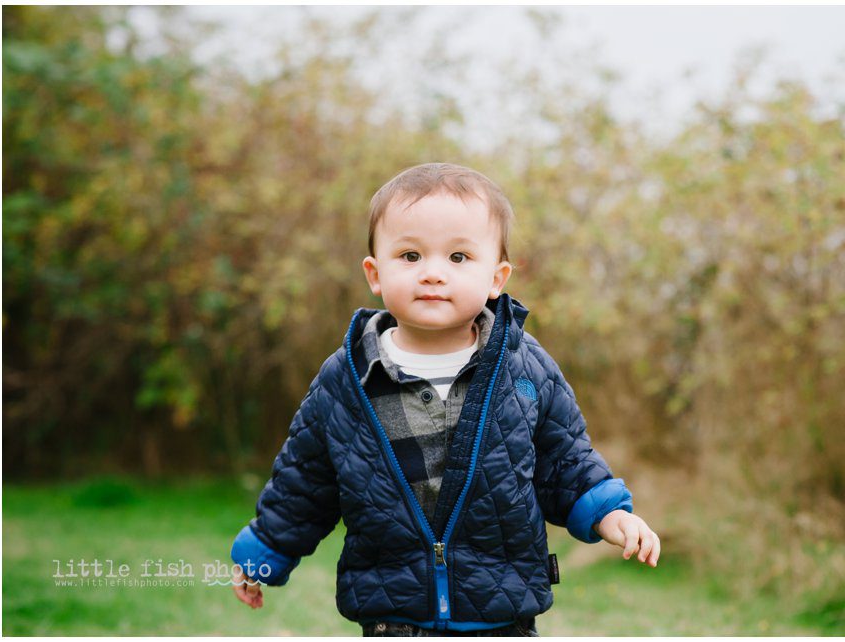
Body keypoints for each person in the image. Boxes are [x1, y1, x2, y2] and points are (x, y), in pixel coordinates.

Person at [230, 162, 661, 636]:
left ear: (496, 278)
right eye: (411, 256)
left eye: (458, 258)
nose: (433, 274)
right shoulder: (348, 378)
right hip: (393, 614)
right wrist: (264, 556)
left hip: (501, 612)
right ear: (375, 273)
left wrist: (610, 514)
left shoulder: (522, 367)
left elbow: (564, 459)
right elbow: (305, 480)